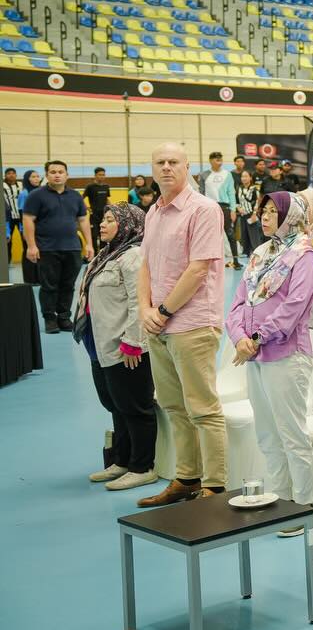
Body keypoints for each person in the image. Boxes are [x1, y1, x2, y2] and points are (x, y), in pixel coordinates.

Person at [136, 143, 228, 507]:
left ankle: (216, 488)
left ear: (189, 167)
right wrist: (145, 309)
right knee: (173, 406)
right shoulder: (153, 213)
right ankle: (187, 478)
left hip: (191, 323)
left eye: (174, 162)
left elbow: (198, 268)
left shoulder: (203, 210)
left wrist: (162, 310)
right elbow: (145, 265)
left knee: (203, 409)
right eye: (160, 162)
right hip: (158, 324)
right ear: (153, 168)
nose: (167, 168)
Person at [226, 191, 313, 531]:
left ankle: (302, 507)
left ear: (290, 216)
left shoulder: (304, 256)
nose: (264, 217)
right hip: (254, 357)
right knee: (267, 434)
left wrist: (255, 339)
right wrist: (239, 337)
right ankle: (280, 502)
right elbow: (238, 303)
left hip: (286, 357)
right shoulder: (259, 254)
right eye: (262, 211)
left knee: (291, 434)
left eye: (271, 212)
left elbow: (293, 308)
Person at [74, 203, 157, 492]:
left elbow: (140, 302)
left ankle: (142, 466)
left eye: (110, 220)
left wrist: (134, 341)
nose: (102, 224)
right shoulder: (107, 254)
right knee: (115, 405)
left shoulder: (133, 256)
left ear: (127, 223)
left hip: (126, 346)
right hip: (100, 344)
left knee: (135, 406)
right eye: (103, 219)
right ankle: (121, 460)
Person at [23, 160, 92, 333]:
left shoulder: (75, 196)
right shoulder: (36, 196)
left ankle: (64, 317)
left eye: (61, 172)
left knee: (68, 285)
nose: (57, 175)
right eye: (53, 172)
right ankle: (50, 319)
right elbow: (28, 220)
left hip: (72, 248)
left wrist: (89, 244)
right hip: (47, 248)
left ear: (67, 175)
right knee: (49, 286)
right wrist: (31, 246)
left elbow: (83, 220)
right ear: (47, 175)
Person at [200, 152, 240, 269]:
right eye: (217, 160)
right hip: (209, 208)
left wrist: (233, 209)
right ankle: (210, 262)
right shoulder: (203, 175)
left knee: (230, 234)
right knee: (209, 235)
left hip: (225, 207)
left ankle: (236, 260)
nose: (219, 162)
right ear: (211, 161)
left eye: (221, 160)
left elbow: (231, 192)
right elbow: (201, 193)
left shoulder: (227, 174)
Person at [82, 168, 111, 254]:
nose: (102, 176)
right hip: (94, 215)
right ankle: (94, 255)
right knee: (94, 236)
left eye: (103, 175)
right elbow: (81, 198)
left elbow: (107, 199)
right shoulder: (90, 187)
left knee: (104, 235)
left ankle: (103, 254)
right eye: (100, 175)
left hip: (104, 215)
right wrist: (87, 208)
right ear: (95, 175)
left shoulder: (106, 187)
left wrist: (112, 207)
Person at [235, 169, 262, 253]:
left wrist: (254, 214)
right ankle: (246, 253)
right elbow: (236, 201)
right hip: (243, 215)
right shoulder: (239, 188)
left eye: (246, 176)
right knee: (244, 235)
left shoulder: (254, 189)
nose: (244, 178)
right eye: (242, 176)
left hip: (252, 215)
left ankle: (257, 253)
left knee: (254, 236)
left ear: (250, 178)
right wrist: (238, 208)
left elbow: (258, 201)